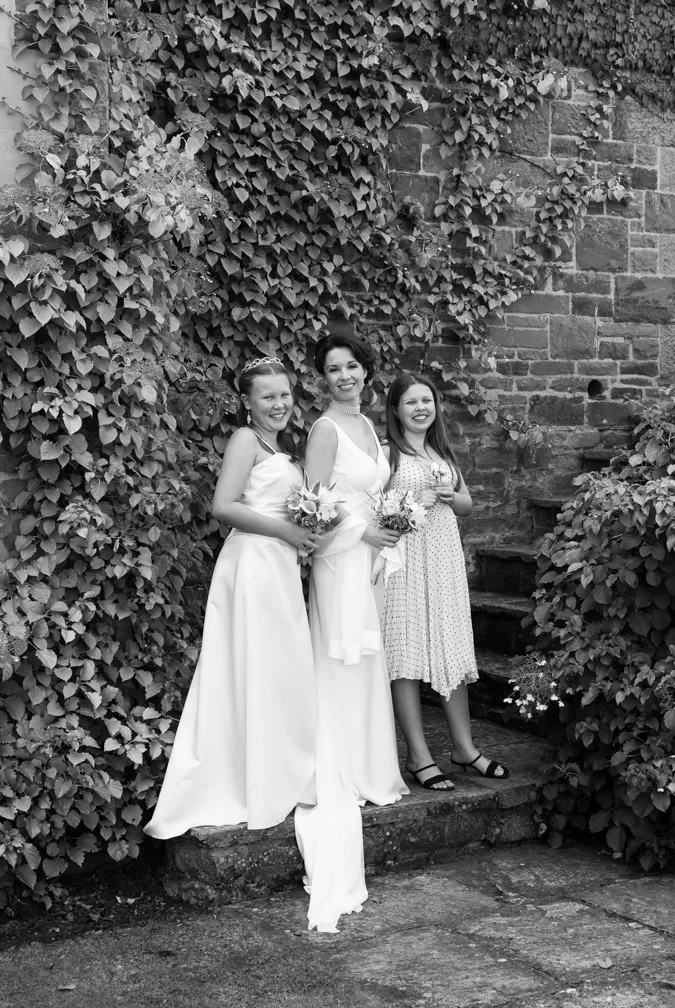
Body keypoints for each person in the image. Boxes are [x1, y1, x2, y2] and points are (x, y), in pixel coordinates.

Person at [144, 358, 320, 839]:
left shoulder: (279, 447)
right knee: (255, 667)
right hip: (252, 567)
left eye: (284, 394)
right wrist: (287, 529)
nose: (279, 404)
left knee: (278, 668)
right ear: (247, 402)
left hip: (277, 566)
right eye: (267, 396)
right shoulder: (246, 440)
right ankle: (249, 780)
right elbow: (224, 507)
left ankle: (278, 771)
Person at [294, 333, 409, 933]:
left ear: (367, 371)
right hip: (342, 559)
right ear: (322, 376)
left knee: (367, 659)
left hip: (370, 558)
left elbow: (372, 488)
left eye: (352, 366)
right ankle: (339, 762)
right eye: (333, 368)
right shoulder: (324, 430)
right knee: (341, 656)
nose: (344, 375)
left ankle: (368, 762)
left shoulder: (368, 425)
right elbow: (309, 506)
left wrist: (388, 522)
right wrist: (361, 533)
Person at [381, 373, 509, 791]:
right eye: (412, 402)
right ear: (396, 410)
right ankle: (418, 756)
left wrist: (453, 498)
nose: (421, 408)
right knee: (406, 652)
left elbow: (467, 504)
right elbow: (376, 510)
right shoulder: (387, 454)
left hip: (443, 560)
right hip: (405, 563)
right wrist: (414, 502)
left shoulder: (441, 451)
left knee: (450, 646)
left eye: (427, 401)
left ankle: (464, 749)